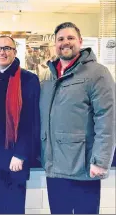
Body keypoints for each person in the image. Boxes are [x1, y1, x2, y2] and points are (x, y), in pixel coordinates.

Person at [40, 22, 116, 214]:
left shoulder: (97, 73)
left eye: (70, 38)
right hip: (55, 168)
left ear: (80, 42)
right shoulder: (48, 76)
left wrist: (101, 161)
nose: (65, 42)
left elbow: (107, 118)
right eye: (61, 39)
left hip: (83, 167)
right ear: (55, 44)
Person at [0, 36, 41, 214]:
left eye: (7, 48)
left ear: (15, 52)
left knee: (13, 207)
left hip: (13, 158)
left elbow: (31, 120)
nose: (2, 52)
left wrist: (21, 153)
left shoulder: (27, 79)